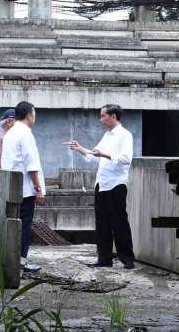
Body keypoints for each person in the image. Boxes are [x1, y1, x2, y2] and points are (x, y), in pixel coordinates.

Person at [64, 104, 135, 269]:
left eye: (103, 116)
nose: (101, 120)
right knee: (102, 223)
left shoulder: (125, 135)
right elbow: (96, 156)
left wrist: (103, 154)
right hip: (102, 183)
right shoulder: (107, 135)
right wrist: (80, 149)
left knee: (119, 222)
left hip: (116, 183)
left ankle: (127, 258)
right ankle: (104, 258)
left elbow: (125, 159)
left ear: (113, 117)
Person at [1, 101, 45, 272]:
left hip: (11, 186)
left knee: (13, 225)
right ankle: (22, 260)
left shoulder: (10, 133)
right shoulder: (26, 134)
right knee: (24, 226)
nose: (35, 117)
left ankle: (12, 259)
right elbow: (32, 165)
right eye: (34, 113)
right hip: (25, 189)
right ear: (29, 115)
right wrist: (38, 189)